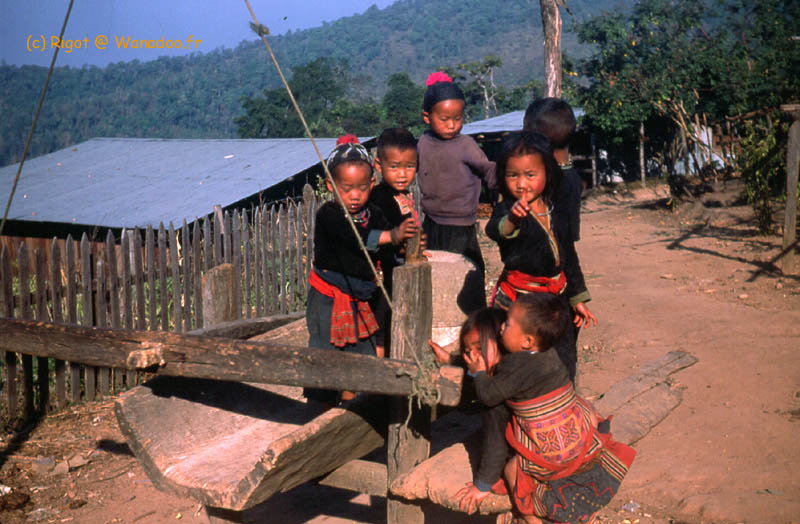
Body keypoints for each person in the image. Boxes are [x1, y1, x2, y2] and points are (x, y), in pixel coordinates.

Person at [457, 293, 635, 524]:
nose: (502, 327)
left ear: (527, 341)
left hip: (554, 454)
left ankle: (530, 517)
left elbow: (492, 424)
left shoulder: (512, 373)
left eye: (508, 324)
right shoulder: (547, 354)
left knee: (513, 470)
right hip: (582, 437)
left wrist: (482, 486)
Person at [306, 134, 418, 405]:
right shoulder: (329, 215)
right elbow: (357, 237)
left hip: (361, 297)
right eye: (346, 188)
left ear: (371, 183)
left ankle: (349, 407)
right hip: (329, 299)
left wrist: (403, 247)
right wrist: (392, 236)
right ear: (331, 186)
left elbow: (384, 249)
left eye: (361, 188)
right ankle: (319, 410)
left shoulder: (374, 213)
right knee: (328, 357)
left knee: (359, 355)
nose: (355, 196)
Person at [485, 131, 596, 382]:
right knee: (523, 361)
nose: (521, 184)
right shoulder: (506, 210)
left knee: (563, 358)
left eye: (530, 175)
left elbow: (568, 256)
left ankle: (563, 408)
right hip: (523, 302)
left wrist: (577, 297)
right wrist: (512, 219)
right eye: (513, 175)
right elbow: (495, 230)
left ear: (547, 172)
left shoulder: (555, 210)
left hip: (557, 300)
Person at [417, 71, 496, 274]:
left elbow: (489, 170)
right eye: (444, 119)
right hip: (431, 222)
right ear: (427, 117)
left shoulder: (466, 145)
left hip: (461, 224)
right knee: (432, 271)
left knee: (466, 271)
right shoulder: (423, 143)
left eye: (457, 118)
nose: (452, 125)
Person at [523, 98, 582, 243]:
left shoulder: (545, 181)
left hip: (546, 257)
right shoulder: (572, 176)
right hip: (567, 255)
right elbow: (572, 231)